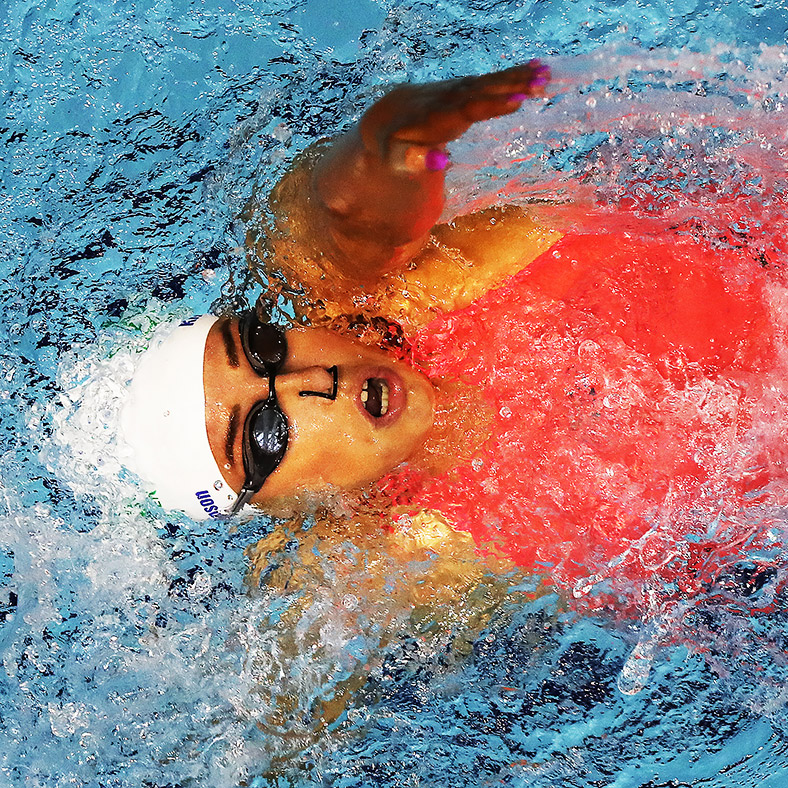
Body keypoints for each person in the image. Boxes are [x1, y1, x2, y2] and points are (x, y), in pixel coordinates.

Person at [121, 60, 786, 607]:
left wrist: (389, 145)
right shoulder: (413, 559)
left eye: (267, 347)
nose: (309, 382)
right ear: (276, 507)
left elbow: (338, 216)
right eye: (266, 432)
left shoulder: (398, 294)